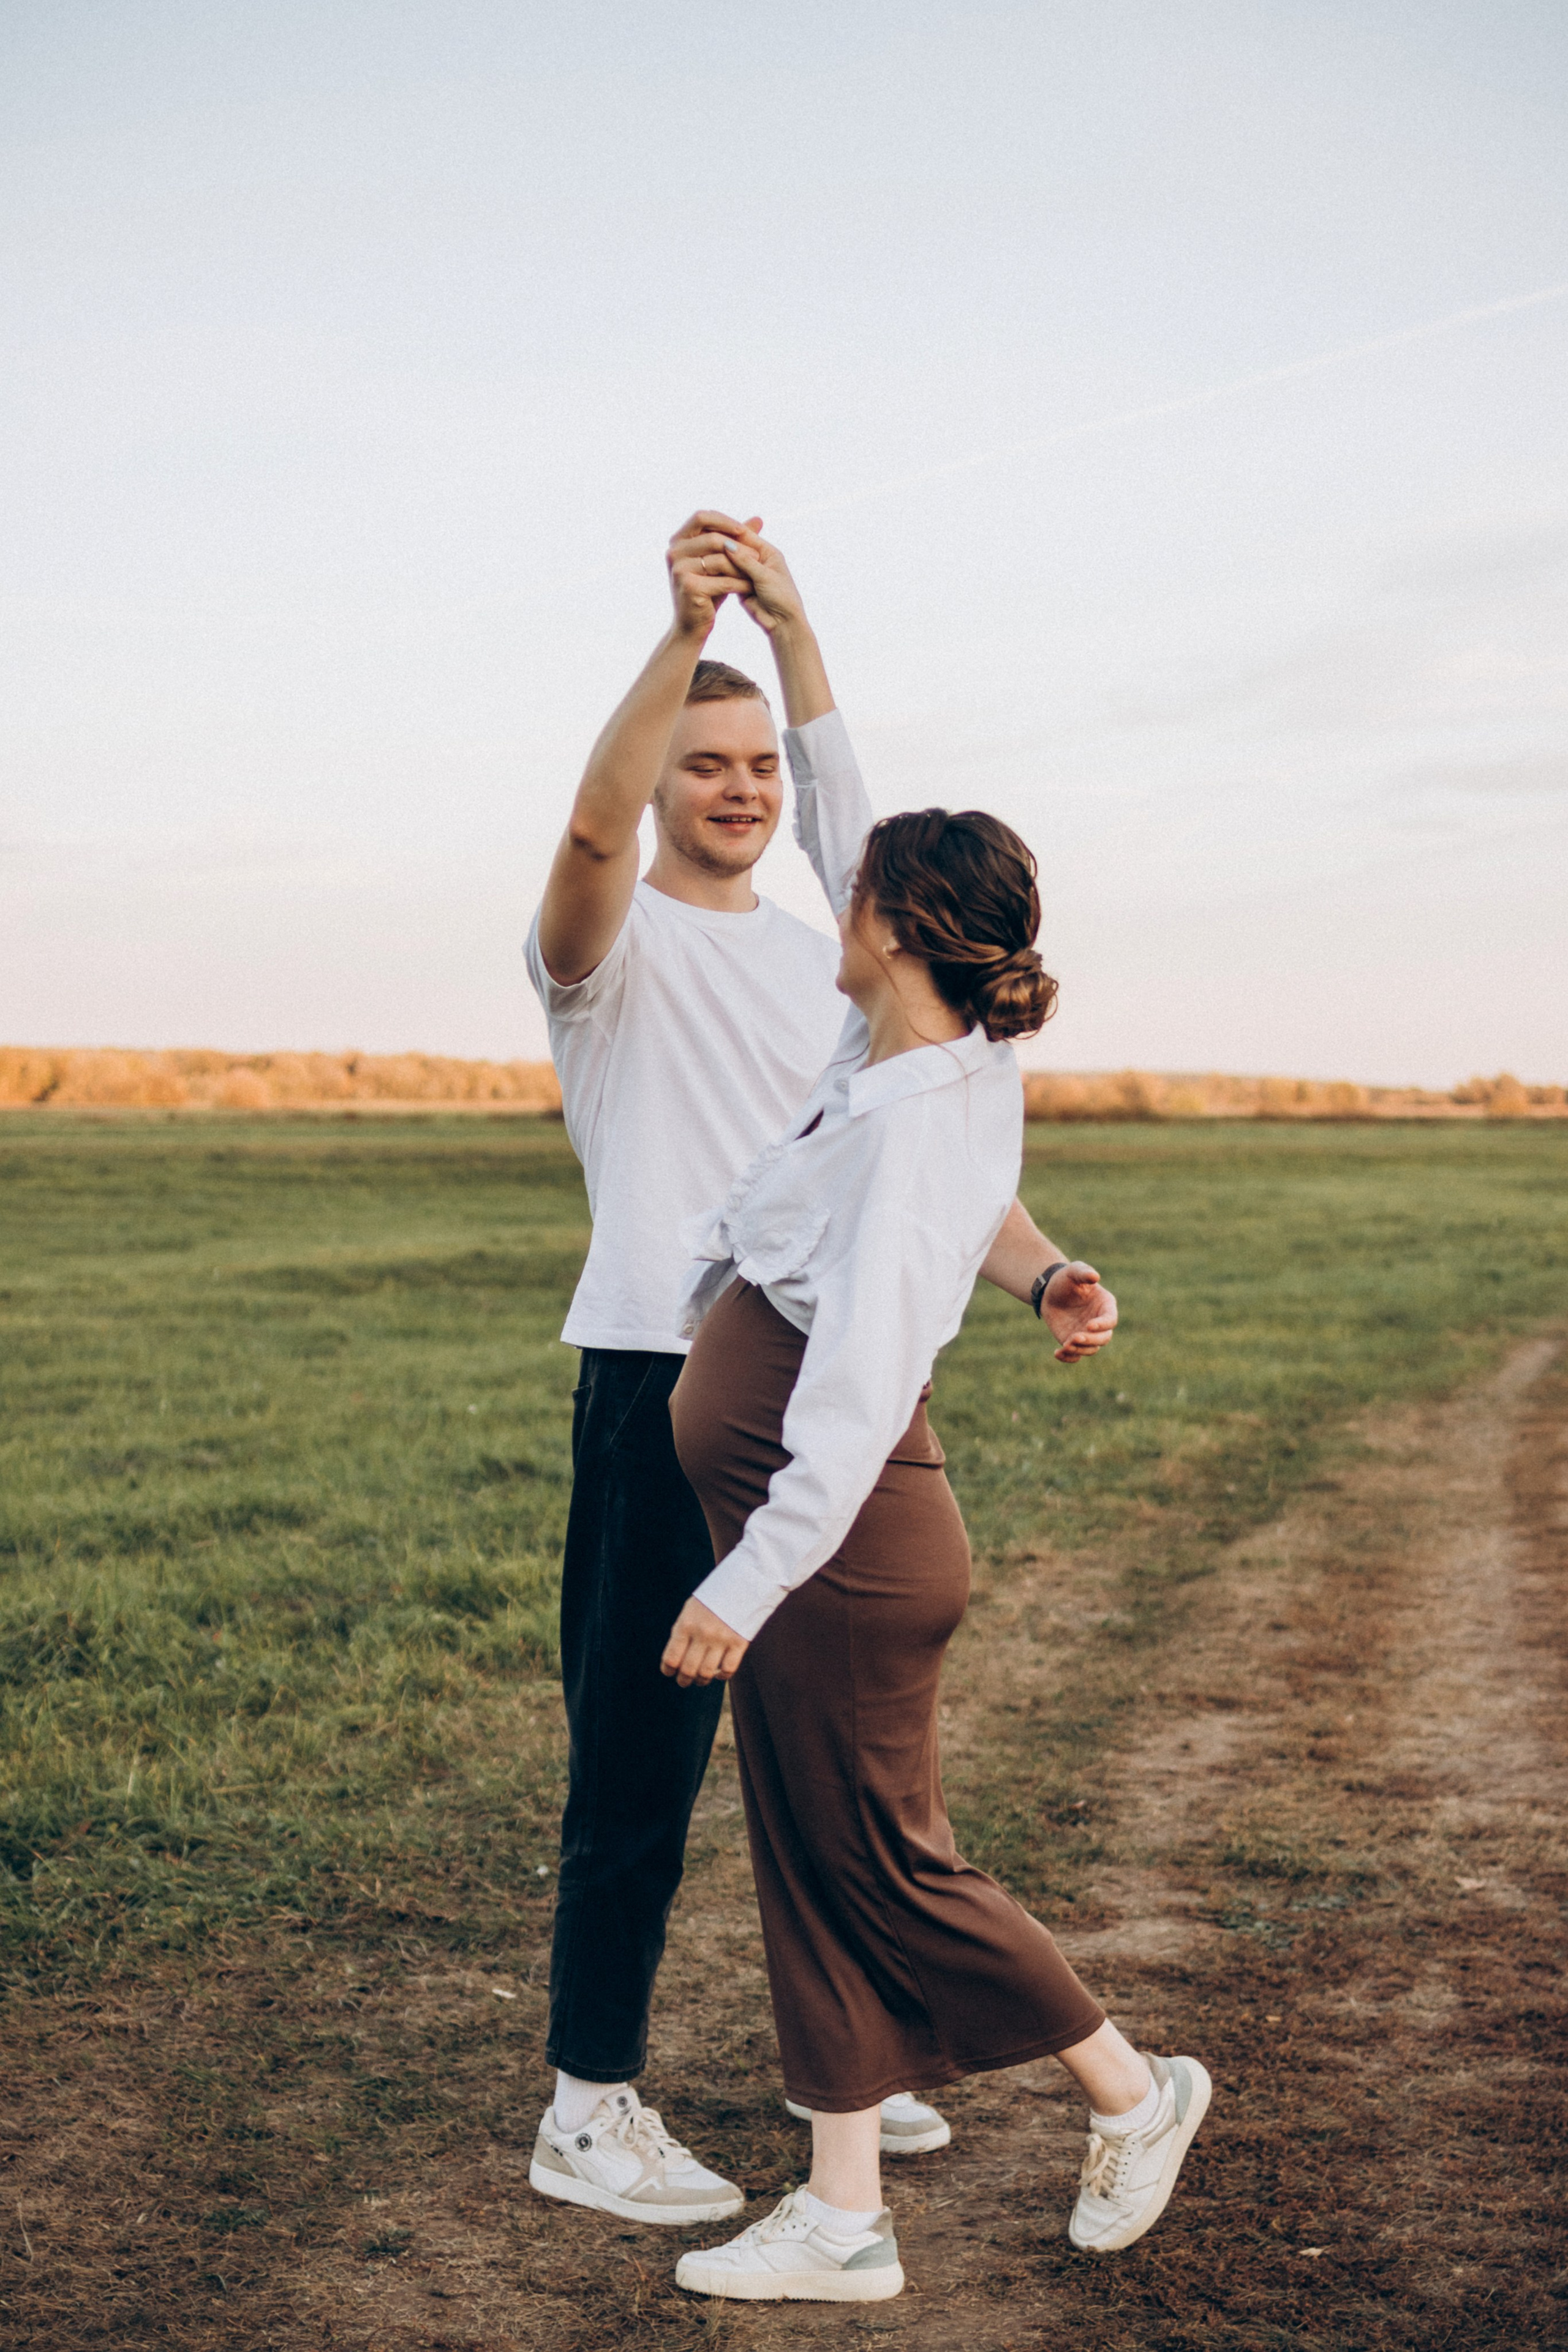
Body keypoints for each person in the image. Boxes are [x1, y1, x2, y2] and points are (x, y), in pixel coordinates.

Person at [523, 513, 1118, 2228]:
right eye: (700, 764)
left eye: (760, 764)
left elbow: (928, 1168)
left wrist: (1044, 1270)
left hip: (815, 1389)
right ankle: (591, 2104)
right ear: (653, 779)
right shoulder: (602, 945)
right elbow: (582, 821)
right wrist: (684, 632)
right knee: (641, 1750)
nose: (739, 787)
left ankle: (858, 2067)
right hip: (659, 1378)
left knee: (823, 1767)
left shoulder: (832, 962)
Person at [663, 802, 1210, 2303]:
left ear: (897, 929)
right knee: (818, 1856)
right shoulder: (917, 1061)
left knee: (890, 1868)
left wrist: (743, 1580)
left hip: (832, 1537)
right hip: (830, 1531)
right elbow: (853, 806)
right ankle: (841, 2212)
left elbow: (848, 1395)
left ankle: (1130, 2090)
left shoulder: (912, 1110)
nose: (829, 899)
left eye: (853, 894)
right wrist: (787, 632)